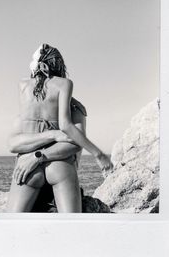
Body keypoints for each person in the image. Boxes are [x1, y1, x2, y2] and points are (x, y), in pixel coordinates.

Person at [6, 44, 113, 213]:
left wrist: (36, 155)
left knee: (13, 225)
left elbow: (13, 144)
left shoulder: (23, 87)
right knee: (71, 226)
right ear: (59, 66)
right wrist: (98, 154)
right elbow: (69, 133)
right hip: (60, 167)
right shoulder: (70, 97)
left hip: (26, 168)